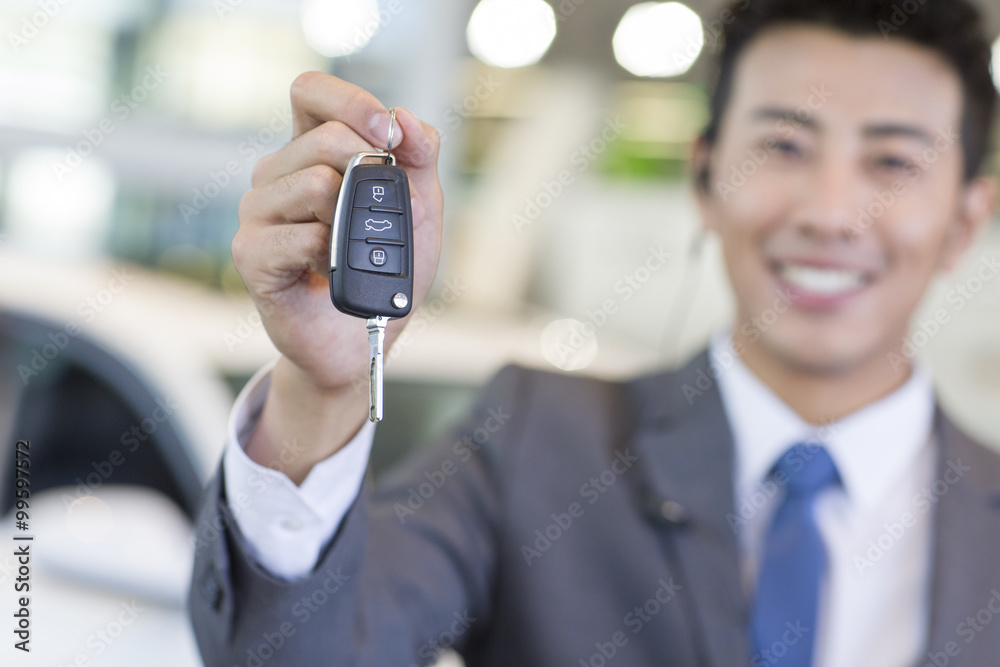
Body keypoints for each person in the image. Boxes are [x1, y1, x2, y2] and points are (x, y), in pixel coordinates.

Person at [188, 0, 1000, 665]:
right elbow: (300, 650)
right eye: (784, 145)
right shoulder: (539, 441)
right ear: (706, 178)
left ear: (968, 217)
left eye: (893, 162)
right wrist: (322, 388)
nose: (829, 213)